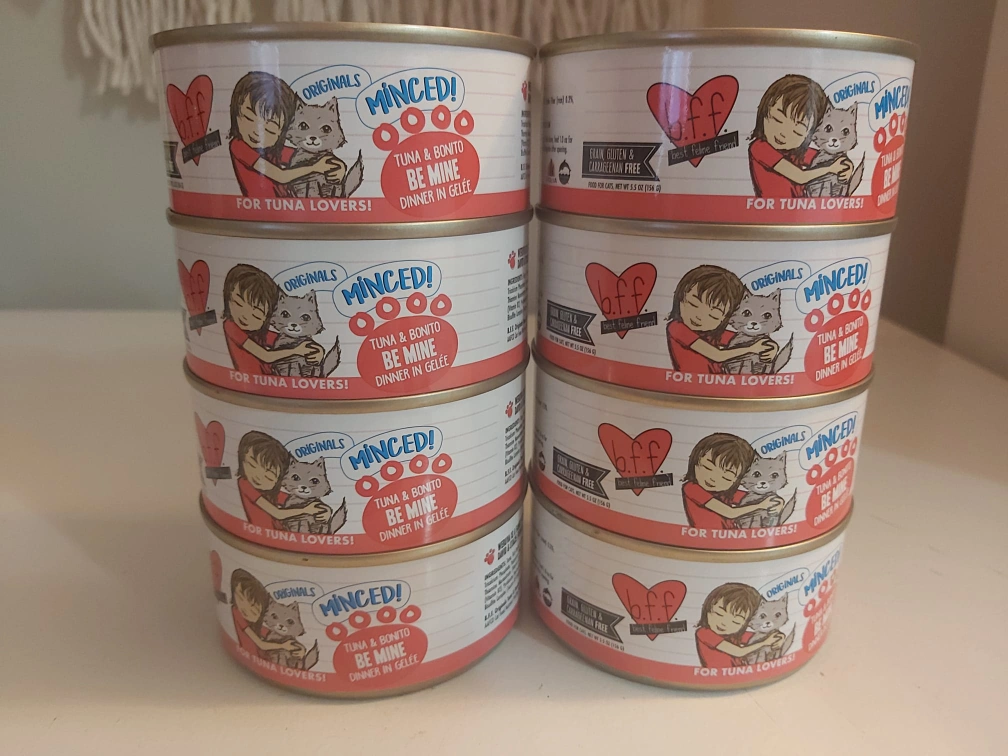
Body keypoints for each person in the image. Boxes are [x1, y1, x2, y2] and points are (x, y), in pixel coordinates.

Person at [227, 71, 343, 197]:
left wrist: (338, 166)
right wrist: (315, 168)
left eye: (270, 130)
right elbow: (280, 176)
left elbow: (307, 156)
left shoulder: (273, 149)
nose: (256, 132)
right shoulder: (238, 146)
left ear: (283, 131)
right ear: (236, 113)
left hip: (287, 202)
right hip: (262, 205)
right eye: (248, 118)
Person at [748, 74, 853, 197]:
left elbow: (826, 157)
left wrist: (846, 166)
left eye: (796, 132)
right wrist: (831, 169)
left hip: (802, 205)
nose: (782, 133)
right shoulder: (760, 148)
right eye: (777, 119)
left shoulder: (795, 151)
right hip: (773, 207)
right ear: (764, 112)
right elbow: (800, 177)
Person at [666, 266, 777, 373]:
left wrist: (771, 347)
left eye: (713, 315)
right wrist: (752, 349)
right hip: (692, 382)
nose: (699, 316)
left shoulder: (713, 333)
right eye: (693, 304)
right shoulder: (677, 328)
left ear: (725, 318)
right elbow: (717, 355)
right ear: (680, 297)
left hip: (720, 379)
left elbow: (746, 338)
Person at [221, 264, 321, 375]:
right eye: (238, 303)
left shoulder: (259, 333)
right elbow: (266, 356)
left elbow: (288, 339)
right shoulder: (230, 326)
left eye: (256, 315)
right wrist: (296, 351)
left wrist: (317, 350)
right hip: (253, 379)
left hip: (271, 377)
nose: (244, 316)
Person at [681, 433, 785, 530]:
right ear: (695, 461)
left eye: (726, 477)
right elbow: (729, 513)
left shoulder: (725, 492)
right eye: (707, 467)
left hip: (732, 534)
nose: (712, 478)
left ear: (738, 480)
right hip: (705, 537)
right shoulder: (692, 488)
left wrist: (777, 502)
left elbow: (755, 497)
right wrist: (760, 506)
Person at [235, 431, 328, 530]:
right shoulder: (245, 483)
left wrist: (325, 510)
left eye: (269, 476)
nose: (257, 476)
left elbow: (299, 499)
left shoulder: (272, 492)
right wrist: (305, 510)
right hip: (264, 533)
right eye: (251, 465)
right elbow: (277, 514)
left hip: (281, 532)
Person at [695, 583, 784, 667]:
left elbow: (759, 636)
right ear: (708, 609)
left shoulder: (734, 635)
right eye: (719, 614)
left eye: (736, 622)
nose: (723, 623)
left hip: (741, 671)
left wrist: (779, 638)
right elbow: (738, 652)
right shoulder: (704, 633)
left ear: (746, 623)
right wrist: (765, 643)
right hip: (717, 674)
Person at [227, 568, 306, 660]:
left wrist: (300, 648)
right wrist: (283, 646)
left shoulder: (259, 623)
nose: (248, 611)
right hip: (253, 657)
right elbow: (261, 644)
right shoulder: (237, 612)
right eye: (240, 600)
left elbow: (274, 634)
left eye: (254, 608)